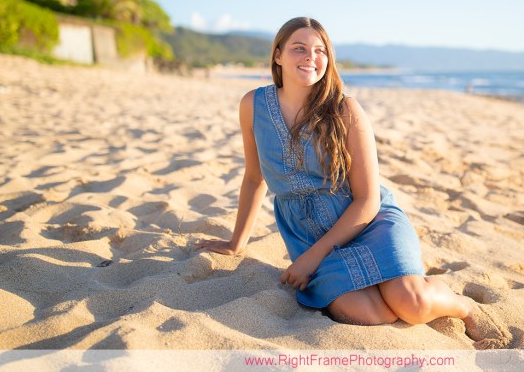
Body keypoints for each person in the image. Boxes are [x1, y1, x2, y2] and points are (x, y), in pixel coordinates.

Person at [196, 17, 504, 344]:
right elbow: (254, 177)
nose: (310, 57)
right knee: (370, 314)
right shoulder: (253, 105)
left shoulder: (345, 110)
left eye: (320, 50)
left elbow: (368, 199)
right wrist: (236, 243)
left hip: (366, 221)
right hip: (307, 231)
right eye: (299, 48)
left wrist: (312, 258)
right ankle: (389, 281)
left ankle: (463, 305)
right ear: (278, 55)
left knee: (412, 305)